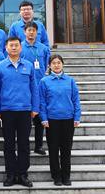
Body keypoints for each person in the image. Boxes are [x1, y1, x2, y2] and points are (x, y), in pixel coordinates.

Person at [0, 36, 39, 188]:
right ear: (6, 48)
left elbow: (34, 88)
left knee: (24, 144)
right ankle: (11, 174)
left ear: (20, 47)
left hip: (25, 110)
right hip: (7, 111)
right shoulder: (0, 67)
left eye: (16, 45)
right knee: (9, 144)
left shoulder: (28, 66)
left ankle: (23, 174)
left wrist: (35, 107)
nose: (14, 48)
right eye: (11, 45)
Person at [39, 54, 82, 187]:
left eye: (59, 63)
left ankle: (66, 176)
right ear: (49, 66)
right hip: (52, 120)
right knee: (53, 150)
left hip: (68, 119)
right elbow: (42, 102)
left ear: (62, 64)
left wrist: (77, 116)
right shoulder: (44, 81)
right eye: (53, 63)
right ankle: (56, 176)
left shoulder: (70, 81)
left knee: (66, 150)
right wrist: (44, 118)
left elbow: (76, 99)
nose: (56, 65)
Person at [21, 22, 51, 156]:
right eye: (29, 30)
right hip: (25, 87)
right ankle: (25, 146)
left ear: (37, 32)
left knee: (39, 119)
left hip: (39, 87)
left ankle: (39, 146)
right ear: (24, 32)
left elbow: (46, 66)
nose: (31, 32)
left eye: (33, 30)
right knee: (25, 121)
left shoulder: (43, 48)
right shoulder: (20, 47)